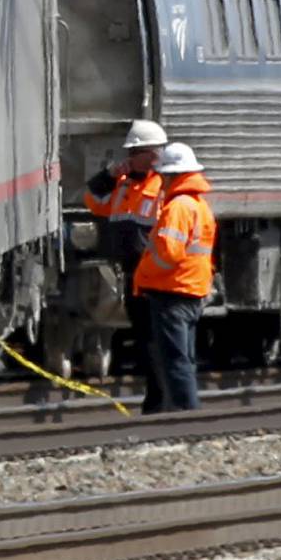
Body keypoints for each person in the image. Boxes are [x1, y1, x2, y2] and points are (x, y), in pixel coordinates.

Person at [84, 118, 167, 404]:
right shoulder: (121, 185)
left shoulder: (163, 187)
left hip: (157, 277)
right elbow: (92, 200)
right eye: (129, 153)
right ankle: (155, 398)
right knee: (145, 340)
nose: (129, 158)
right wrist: (108, 174)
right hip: (133, 275)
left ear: (154, 154)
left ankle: (162, 400)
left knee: (158, 340)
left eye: (135, 152)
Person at [133, 141, 216, 415]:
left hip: (172, 291)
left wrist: (144, 274)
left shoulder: (177, 207)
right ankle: (185, 410)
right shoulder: (199, 205)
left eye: (164, 176)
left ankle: (184, 414)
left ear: (171, 176)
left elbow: (167, 253)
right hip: (192, 289)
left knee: (174, 359)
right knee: (185, 358)